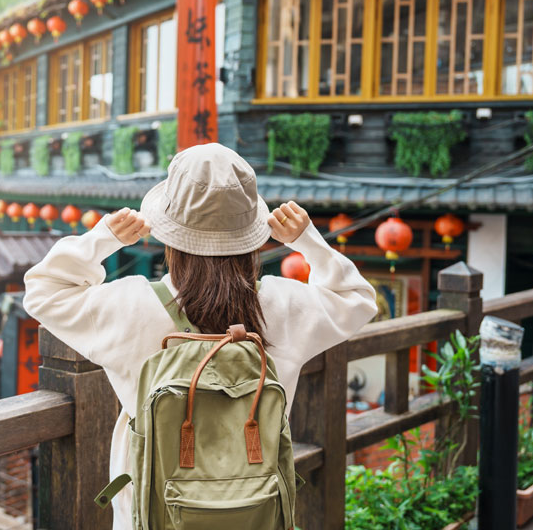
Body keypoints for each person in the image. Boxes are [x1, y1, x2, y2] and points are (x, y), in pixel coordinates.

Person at [23, 142, 378, 529]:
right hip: (256, 513)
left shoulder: (128, 305)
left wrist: (104, 238)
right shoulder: (283, 305)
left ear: (170, 236)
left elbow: (42, 291)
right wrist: (307, 240)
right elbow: (358, 300)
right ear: (251, 235)